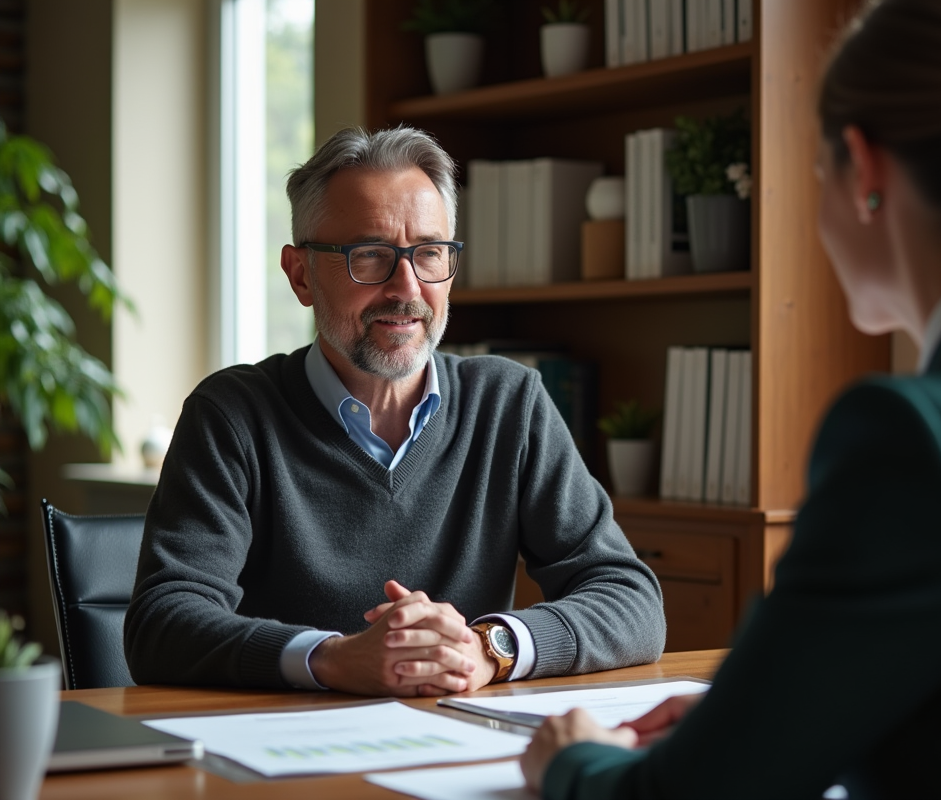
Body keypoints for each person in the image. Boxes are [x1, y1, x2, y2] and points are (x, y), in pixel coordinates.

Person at [520, 0, 941, 796]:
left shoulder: (915, 441)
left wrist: (569, 757)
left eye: (817, 173)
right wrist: (770, 725)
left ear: (865, 168)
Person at [124, 126, 666, 697]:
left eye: (429, 253)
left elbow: (630, 598)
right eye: (371, 256)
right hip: (287, 759)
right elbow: (162, 624)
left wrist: (489, 649)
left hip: (461, 752)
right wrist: (330, 659)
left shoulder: (510, 404)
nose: (406, 288)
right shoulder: (231, 415)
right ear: (300, 274)